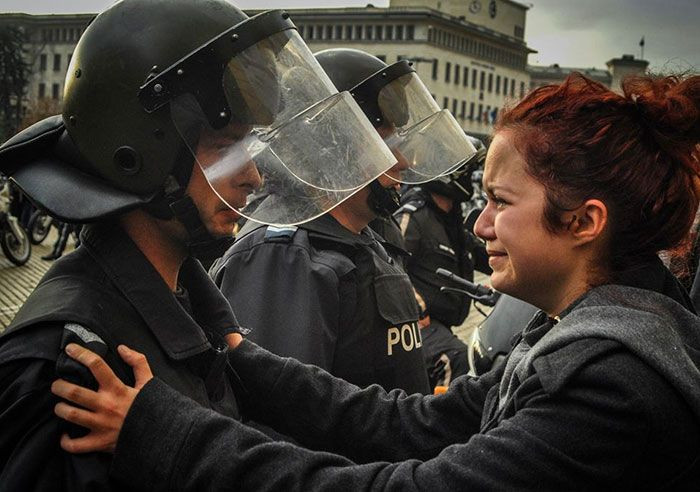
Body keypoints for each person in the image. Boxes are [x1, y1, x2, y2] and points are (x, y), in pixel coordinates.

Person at [53, 72, 700, 489]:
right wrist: (244, 359)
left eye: (501, 200)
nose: (479, 225)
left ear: (585, 223)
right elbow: (411, 423)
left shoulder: (611, 379)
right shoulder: (591, 334)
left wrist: (163, 433)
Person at [0, 1, 397, 489]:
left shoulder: (197, 315)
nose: (251, 177)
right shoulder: (72, 359)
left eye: (248, 150)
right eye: (224, 148)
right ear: (143, 153)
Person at [209, 48, 477, 395]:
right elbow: (281, 417)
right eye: (384, 140)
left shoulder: (370, 237)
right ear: (334, 145)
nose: (404, 160)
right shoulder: (284, 257)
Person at [395, 137, 491, 388]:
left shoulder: (454, 225)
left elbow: (488, 257)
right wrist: (416, 306)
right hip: (416, 326)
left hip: (442, 326)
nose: (471, 178)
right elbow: (389, 261)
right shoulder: (414, 216)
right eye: (466, 172)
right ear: (448, 173)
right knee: (456, 360)